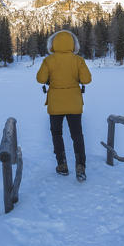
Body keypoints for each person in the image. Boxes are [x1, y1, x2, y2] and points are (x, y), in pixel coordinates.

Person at [36, 30, 92, 181]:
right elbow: (86, 80)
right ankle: (80, 166)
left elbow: (40, 79)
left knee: (57, 133)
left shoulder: (49, 60)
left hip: (55, 103)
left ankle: (62, 164)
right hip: (74, 102)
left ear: (53, 44)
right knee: (77, 135)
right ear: (73, 44)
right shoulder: (78, 60)